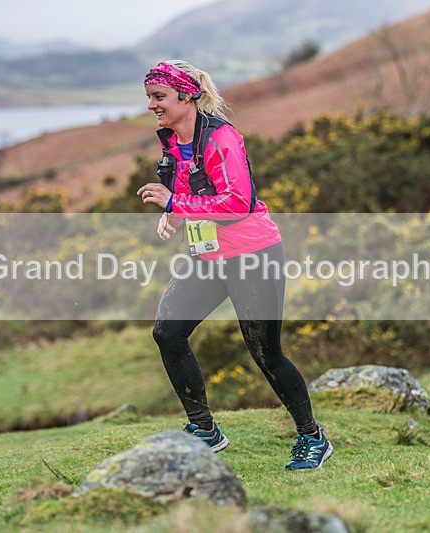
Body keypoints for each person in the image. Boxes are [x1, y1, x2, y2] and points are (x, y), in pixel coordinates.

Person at [137, 60, 332, 470]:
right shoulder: (172, 140)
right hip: (208, 256)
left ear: (186, 95)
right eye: (150, 98)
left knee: (266, 354)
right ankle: (205, 430)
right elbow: (191, 188)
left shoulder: (222, 138)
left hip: (252, 254)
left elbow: (237, 203)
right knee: (167, 333)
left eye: (159, 97)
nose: (152, 106)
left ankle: (312, 438)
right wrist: (174, 212)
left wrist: (175, 203)